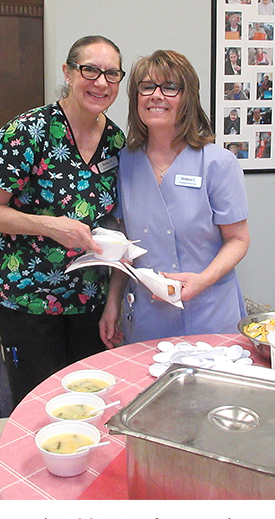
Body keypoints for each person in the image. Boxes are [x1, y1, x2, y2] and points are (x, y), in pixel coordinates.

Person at [0, 35, 126, 409]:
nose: (101, 83)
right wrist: (49, 225)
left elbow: (117, 219)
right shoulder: (28, 132)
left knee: (87, 403)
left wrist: (113, 301)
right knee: (37, 405)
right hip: (30, 300)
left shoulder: (116, 142)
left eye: (112, 74)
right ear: (68, 73)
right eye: (90, 70)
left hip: (90, 300)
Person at [99, 50, 249, 346]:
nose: (156, 96)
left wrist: (202, 280)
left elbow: (239, 240)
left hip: (209, 311)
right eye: (147, 87)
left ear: (188, 98)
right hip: (147, 314)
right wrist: (112, 301)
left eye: (169, 87)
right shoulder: (126, 162)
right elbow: (125, 243)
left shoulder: (217, 163)